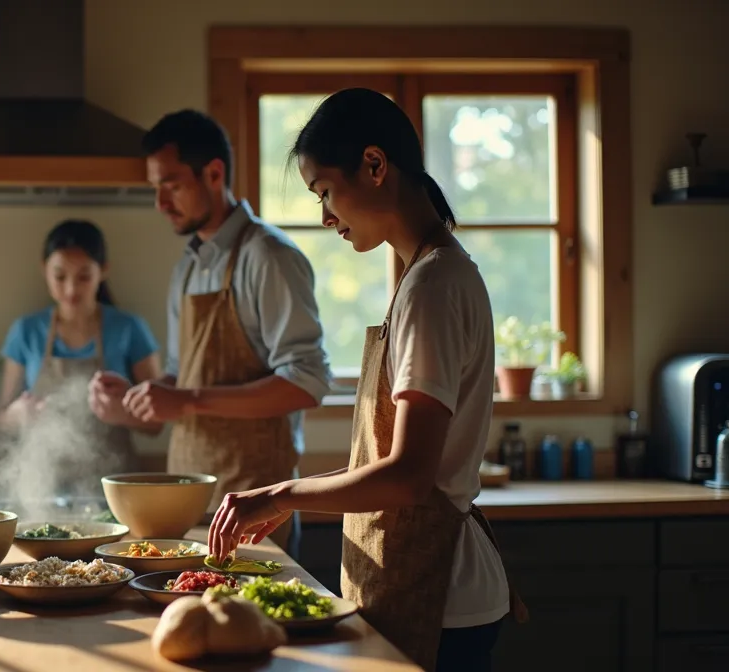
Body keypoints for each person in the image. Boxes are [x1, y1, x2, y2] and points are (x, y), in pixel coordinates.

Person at [206, 88, 527, 672]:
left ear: (375, 166)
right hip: (428, 581)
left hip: (443, 594)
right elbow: (392, 457)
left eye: (325, 191)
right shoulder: (427, 277)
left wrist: (280, 493)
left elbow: (407, 477)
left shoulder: (433, 287)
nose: (326, 217)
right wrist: (292, 495)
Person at [104, 109, 332, 555]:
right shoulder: (188, 267)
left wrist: (187, 400)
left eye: (170, 185)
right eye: (155, 188)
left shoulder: (269, 257)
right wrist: (136, 400)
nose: (160, 203)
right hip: (186, 508)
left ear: (214, 173)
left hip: (255, 513)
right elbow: (180, 376)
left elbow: (307, 384)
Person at [0, 219, 164, 483]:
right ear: (44, 270)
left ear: (104, 270)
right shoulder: (26, 331)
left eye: (84, 276)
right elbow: (3, 417)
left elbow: (157, 423)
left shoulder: (130, 329)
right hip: (43, 484)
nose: (71, 289)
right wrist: (20, 413)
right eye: (60, 276)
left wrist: (120, 412)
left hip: (115, 485)